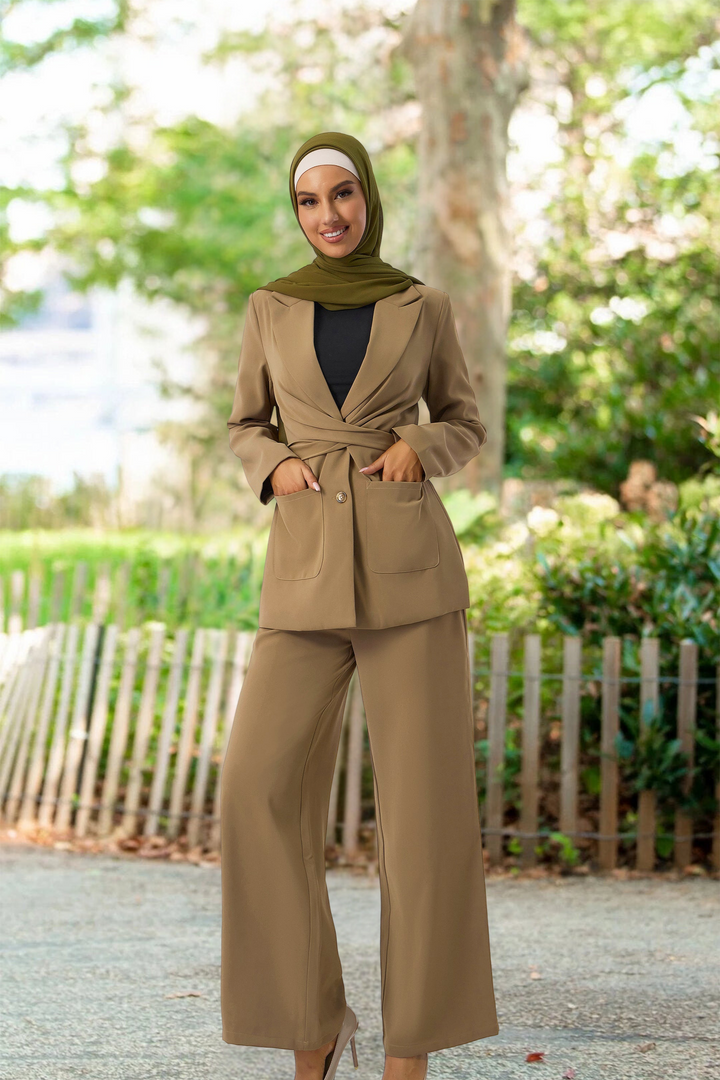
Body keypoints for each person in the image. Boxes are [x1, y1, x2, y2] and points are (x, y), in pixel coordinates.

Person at [220, 131, 499, 1080]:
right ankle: (313, 1021)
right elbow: (244, 424)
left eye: (343, 195)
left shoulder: (423, 306)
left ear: (368, 199)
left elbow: (466, 418)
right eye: (309, 201)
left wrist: (424, 445)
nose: (328, 214)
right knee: (254, 786)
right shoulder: (271, 307)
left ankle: (411, 1048)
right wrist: (278, 468)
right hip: (302, 569)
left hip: (411, 569)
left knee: (423, 818)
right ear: (294, 211)